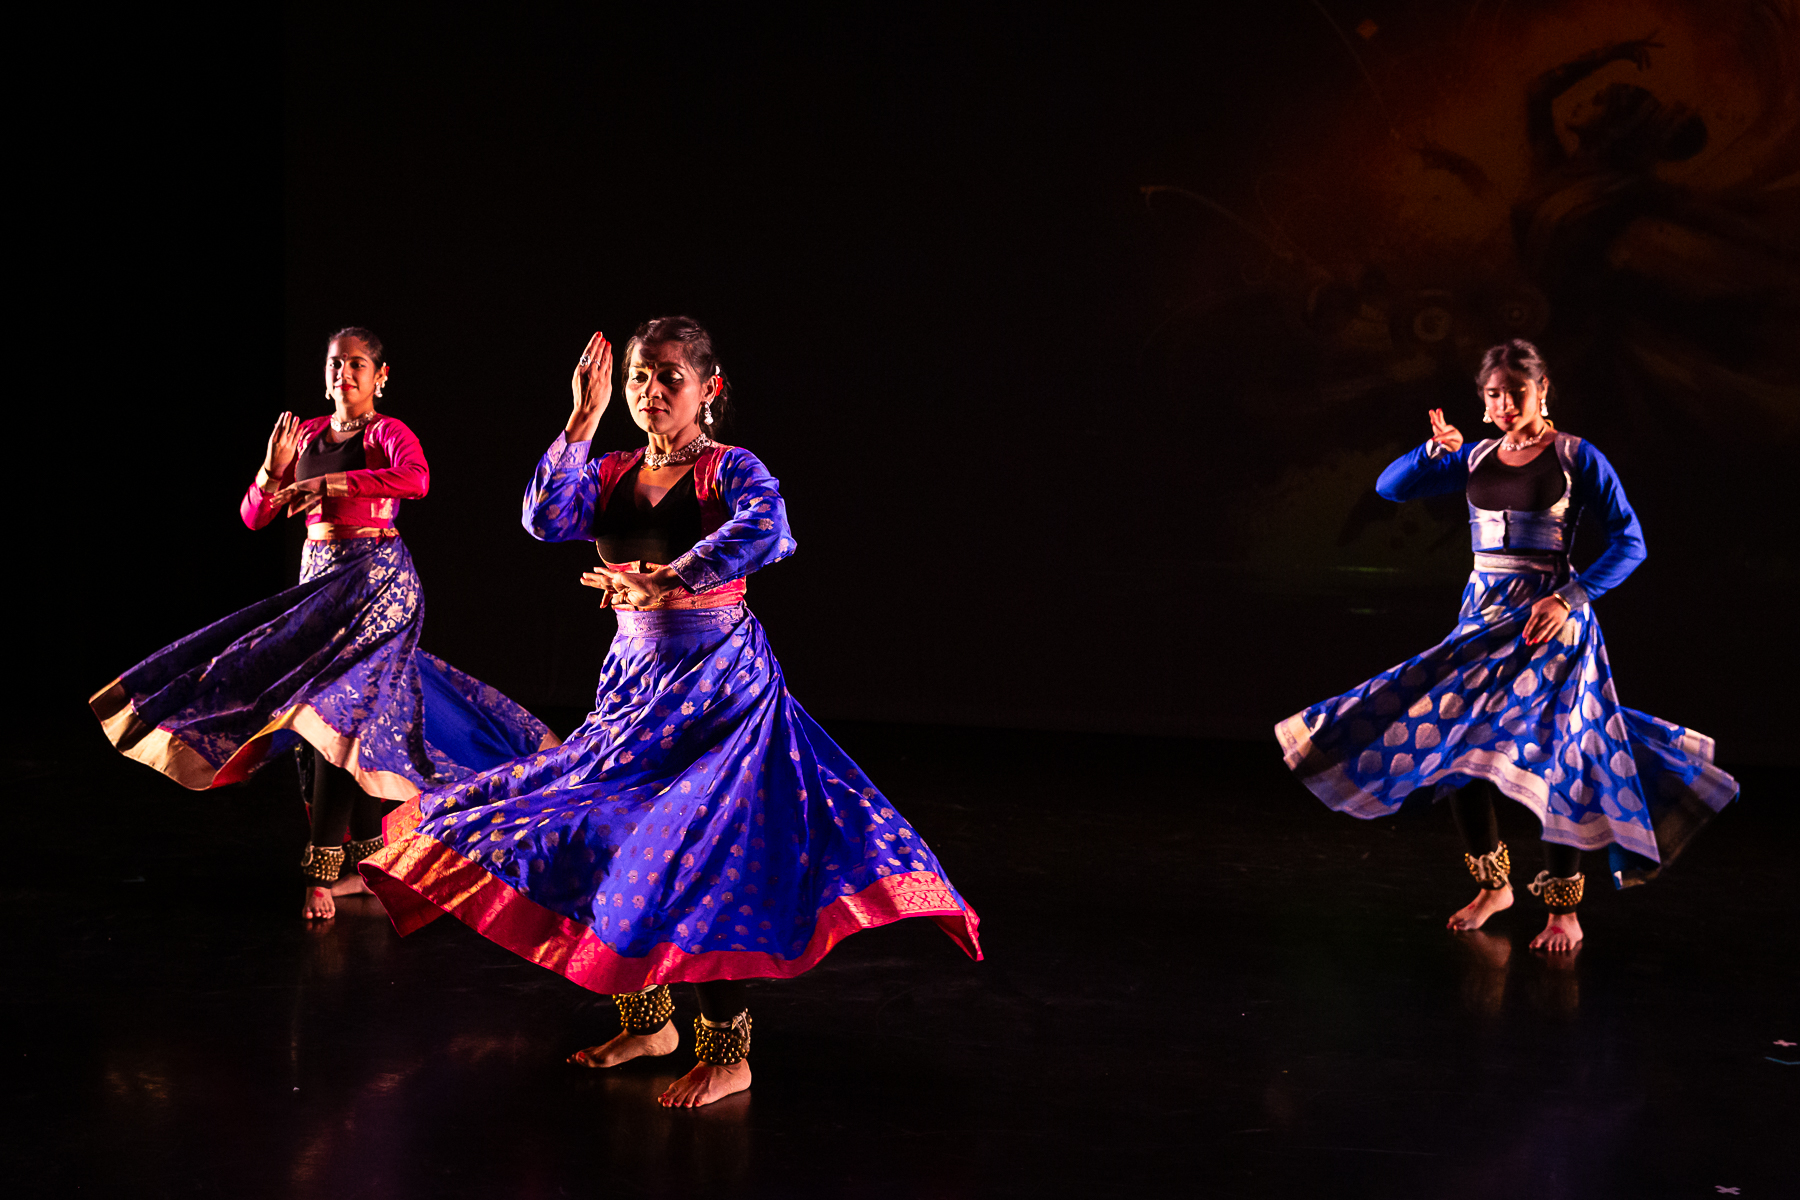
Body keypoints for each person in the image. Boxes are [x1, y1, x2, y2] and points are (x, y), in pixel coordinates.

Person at [359, 316, 981, 1108]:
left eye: (668, 378)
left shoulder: (729, 469)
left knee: (696, 854)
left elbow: (769, 527)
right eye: (638, 378)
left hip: (720, 693)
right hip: (634, 690)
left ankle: (727, 1053)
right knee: (598, 835)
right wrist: (582, 420)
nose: (650, 392)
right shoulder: (614, 469)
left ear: (708, 388)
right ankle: (649, 1021)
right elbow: (546, 519)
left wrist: (673, 578)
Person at [1276, 339, 1737, 951]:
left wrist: (1568, 598)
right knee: (1455, 747)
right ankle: (1494, 886)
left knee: (1562, 760)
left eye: (1515, 392)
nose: (1503, 404)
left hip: (1551, 627)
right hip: (1483, 621)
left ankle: (1564, 911)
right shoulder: (1475, 456)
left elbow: (1631, 543)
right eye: (1493, 394)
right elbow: (1389, 488)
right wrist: (1430, 453)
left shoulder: (1576, 456)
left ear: (1542, 391)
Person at [91, 327, 556, 920]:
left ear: (380, 376)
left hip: (378, 584)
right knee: (333, 722)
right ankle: (365, 860)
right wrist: (271, 470)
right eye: (337, 363)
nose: (345, 374)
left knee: (341, 713)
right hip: (319, 588)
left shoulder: (388, 432)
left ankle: (320, 873)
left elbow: (415, 479)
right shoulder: (306, 434)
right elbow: (255, 517)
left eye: (358, 364)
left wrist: (327, 484)